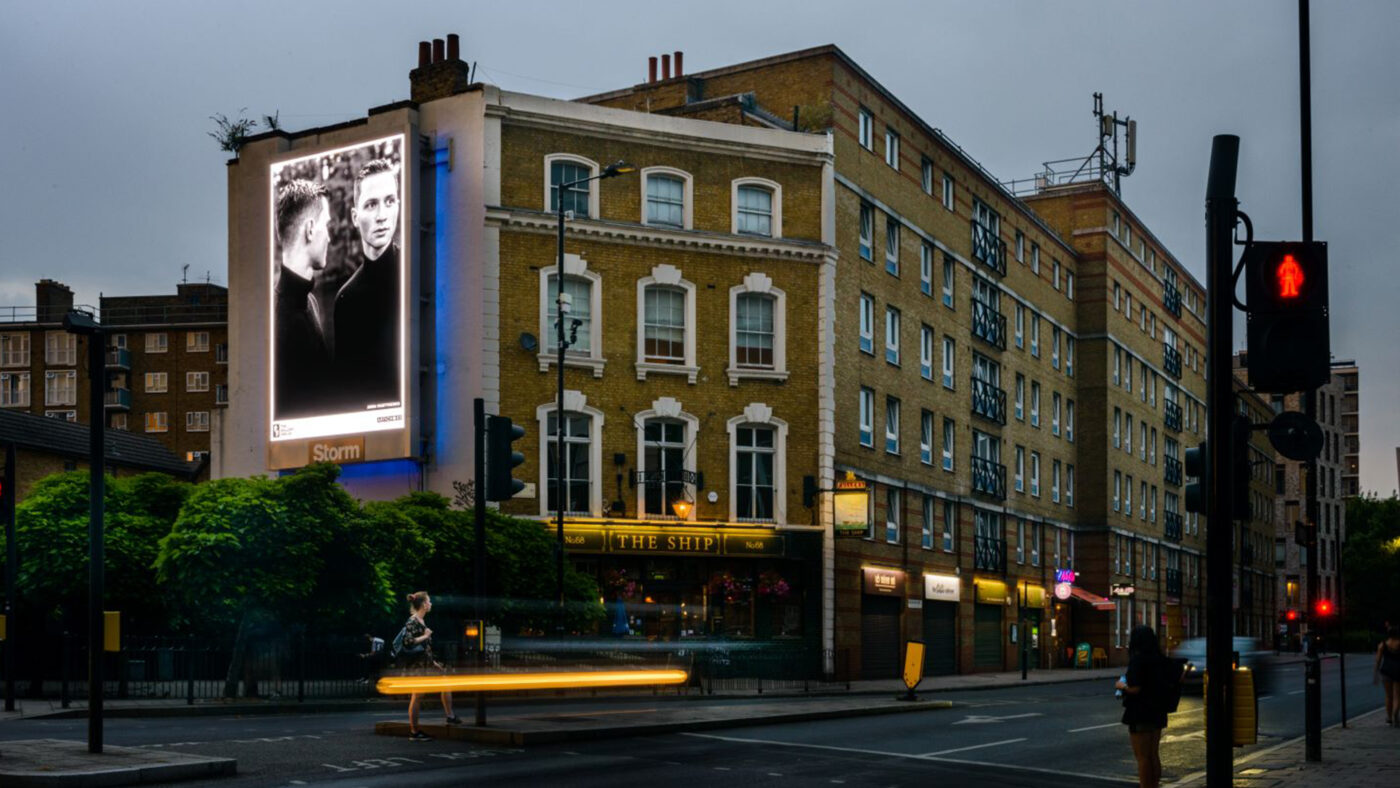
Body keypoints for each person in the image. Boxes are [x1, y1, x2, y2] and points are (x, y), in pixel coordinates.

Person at [333, 159, 402, 409]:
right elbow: (347, 390)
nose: (382, 216)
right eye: (371, 204)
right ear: (355, 216)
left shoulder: (417, 272)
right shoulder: (346, 299)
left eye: (389, 201)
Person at [273, 179, 333, 419]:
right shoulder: (277, 320)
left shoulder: (310, 302)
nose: (329, 237)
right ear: (310, 229)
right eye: (326, 225)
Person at [402, 591, 461, 741]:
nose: (431, 604)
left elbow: (424, 648)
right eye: (429, 601)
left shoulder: (421, 621)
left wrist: (434, 663)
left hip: (427, 664)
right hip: (418, 666)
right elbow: (408, 642)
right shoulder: (412, 621)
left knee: (445, 682)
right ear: (423, 605)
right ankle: (414, 732)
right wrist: (426, 636)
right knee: (417, 696)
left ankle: (450, 716)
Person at [1116, 625, 1167, 788]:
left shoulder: (1138, 660)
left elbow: (1135, 688)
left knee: (1142, 757)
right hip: (1158, 710)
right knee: (1153, 754)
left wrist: (1121, 686)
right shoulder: (1159, 659)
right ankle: (1155, 785)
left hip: (1140, 712)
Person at [1373, 627, 1400, 725]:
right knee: (1397, 695)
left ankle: (1389, 717)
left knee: (1389, 695)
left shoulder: (1383, 645)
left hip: (1386, 670)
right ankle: (1396, 712)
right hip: (1398, 670)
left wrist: (1375, 673)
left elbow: (1378, 660)